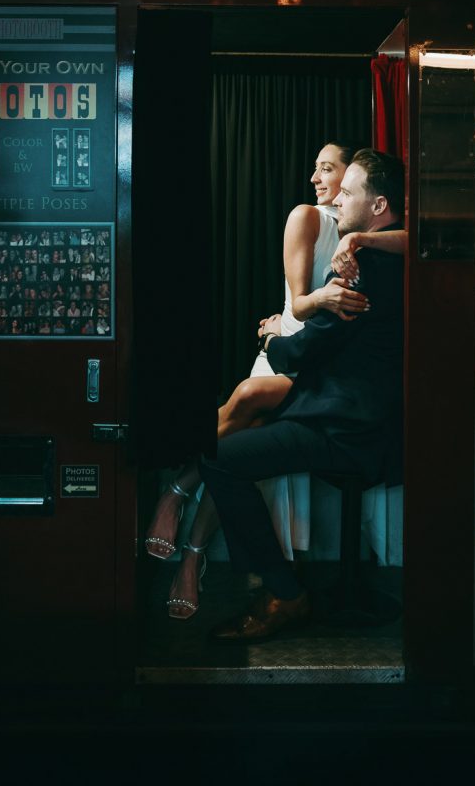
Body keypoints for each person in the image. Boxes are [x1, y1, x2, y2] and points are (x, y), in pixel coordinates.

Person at [144, 143, 406, 619]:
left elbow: (303, 347)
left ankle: (283, 590)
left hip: (344, 424)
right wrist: (359, 242)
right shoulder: (383, 253)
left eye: (345, 189)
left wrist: (268, 339)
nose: (334, 198)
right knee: (245, 411)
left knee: (226, 454)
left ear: (378, 205)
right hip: (348, 404)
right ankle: (186, 510)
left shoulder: (362, 270)